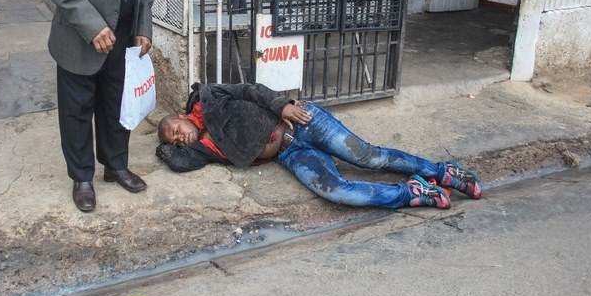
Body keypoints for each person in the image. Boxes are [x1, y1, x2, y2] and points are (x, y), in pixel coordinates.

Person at [46, 0, 177, 212]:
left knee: (117, 106)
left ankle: (115, 165)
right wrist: (92, 26)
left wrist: (143, 28)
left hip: (123, 40)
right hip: (79, 39)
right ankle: (82, 177)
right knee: (77, 111)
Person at [156, 83, 482, 209]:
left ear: (183, 115)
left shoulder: (210, 98)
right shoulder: (201, 151)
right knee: (337, 191)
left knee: (369, 157)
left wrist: (282, 105)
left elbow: (250, 90)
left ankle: (441, 171)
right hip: (292, 153)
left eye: (174, 128)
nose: (176, 136)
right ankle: (411, 192)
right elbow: (177, 161)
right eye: (172, 139)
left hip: (304, 122)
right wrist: (163, 148)